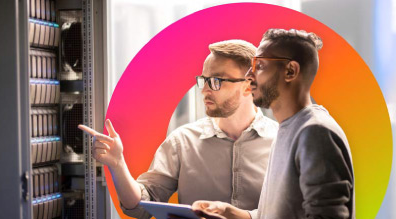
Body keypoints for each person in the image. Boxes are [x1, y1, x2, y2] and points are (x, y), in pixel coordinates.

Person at [78, 40, 278, 218]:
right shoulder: (182, 141)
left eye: (216, 81)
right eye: (204, 80)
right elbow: (139, 207)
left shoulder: (283, 142)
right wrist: (118, 164)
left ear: (248, 85)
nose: (205, 89)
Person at [189, 29, 355, 219]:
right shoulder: (288, 129)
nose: (249, 75)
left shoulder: (316, 133)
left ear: (290, 71)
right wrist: (233, 214)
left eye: (259, 65)